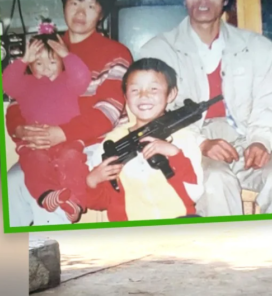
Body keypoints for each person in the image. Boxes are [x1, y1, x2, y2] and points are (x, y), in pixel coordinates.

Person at [139, 0, 272, 217]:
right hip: (190, 141)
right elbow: (154, 115)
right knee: (216, 180)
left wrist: (261, 142)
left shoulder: (259, 48)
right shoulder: (157, 51)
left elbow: (269, 103)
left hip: (247, 135)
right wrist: (201, 144)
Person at [5, 0, 133, 226]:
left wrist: (61, 133)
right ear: (64, 5)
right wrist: (21, 129)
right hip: (42, 147)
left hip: (89, 145)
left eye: (90, 6)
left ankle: (50, 257)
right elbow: (18, 101)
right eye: (74, 3)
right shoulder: (44, 47)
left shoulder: (116, 53)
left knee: (49, 196)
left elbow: (106, 114)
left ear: (102, 13)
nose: (80, 13)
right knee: (8, 186)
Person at [84, 58, 203, 222]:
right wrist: (92, 181)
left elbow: (194, 193)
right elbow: (101, 202)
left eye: (153, 89)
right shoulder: (113, 142)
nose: (144, 95)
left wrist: (173, 153)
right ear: (125, 95)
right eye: (135, 90)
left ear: (171, 93)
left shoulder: (183, 137)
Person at [2, 25, 91, 223]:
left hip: (66, 141)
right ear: (30, 66)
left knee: (73, 163)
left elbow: (82, 78)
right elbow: (6, 84)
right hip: (35, 143)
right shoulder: (25, 83)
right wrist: (23, 59)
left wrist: (68, 56)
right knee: (35, 164)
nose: (47, 68)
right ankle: (46, 195)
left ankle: (74, 204)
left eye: (53, 61)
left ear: (62, 63)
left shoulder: (68, 80)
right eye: (38, 63)